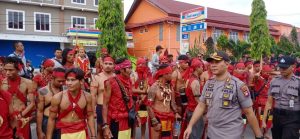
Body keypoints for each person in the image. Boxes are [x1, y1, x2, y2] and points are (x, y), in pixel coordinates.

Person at [183, 51, 263, 139]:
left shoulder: (238, 85)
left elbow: (249, 113)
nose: (213, 65)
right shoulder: (209, 83)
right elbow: (201, 106)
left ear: (227, 64)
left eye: (217, 62)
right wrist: (190, 126)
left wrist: (259, 136)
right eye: (211, 62)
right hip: (211, 134)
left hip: (231, 136)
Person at [46, 68, 96, 139]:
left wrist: (93, 135)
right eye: (67, 80)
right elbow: (51, 119)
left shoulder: (87, 96)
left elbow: (90, 116)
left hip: (81, 132)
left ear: (81, 81)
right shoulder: (58, 98)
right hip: (63, 132)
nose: (69, 83)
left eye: (72, 80)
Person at [262, 56, 300, 139]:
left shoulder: (298, 82)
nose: (282, 70)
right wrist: (264, 120)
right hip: (277, 117)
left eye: (285, 67)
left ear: (293, 66)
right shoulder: (274, 81)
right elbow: (269, 102)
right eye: (280, 67)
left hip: (292, 117)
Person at [1, 57, 35, 139]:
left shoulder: (28, 83)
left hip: (22, 117)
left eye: (11, 70)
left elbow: (32, 103)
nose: (7, 72)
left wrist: (20, 115)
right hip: (7, 120)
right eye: (6, 70)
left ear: (19, 69)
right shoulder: (2, 83)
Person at [102, 58, 135, 139]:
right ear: (121, 69)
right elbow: (105, 105)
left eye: (131, 68)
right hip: (116, 122)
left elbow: (130, 100)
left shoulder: (129, 81)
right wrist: (105, 126)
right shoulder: (110, 82)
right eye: (129, 68)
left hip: (127, 120)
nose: (131, 70)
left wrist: (135, 115)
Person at [147, 64, 181, 139]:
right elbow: (149, 106)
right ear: (164, 74)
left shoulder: (170, 87)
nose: (172, 75)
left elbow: (172, 103)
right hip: (157, 118)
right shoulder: (154, 87)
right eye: (170, 73)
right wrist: (154, 121)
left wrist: (176, 113)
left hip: (168, 118)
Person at [36, 67, 66, 139]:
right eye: (59, 81)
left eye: (63, 81)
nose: (61, 83)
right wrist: (39, 130)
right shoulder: (43, 91)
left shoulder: (65, 89)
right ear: (52, 78)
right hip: (47, 121)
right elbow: (39, 111)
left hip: (62, 121)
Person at [90, 56, 115, 139]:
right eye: (106, 63)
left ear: (114, 65)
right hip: (100, 106)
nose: (108, 65)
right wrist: (93, 111)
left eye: (110, 64)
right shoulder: (97, 77)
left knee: (113, 130)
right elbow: (93, 95)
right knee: (100, 129)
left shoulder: (116, 77)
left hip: (114, 108)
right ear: (102, 65)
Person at [180, 58, 205, 139]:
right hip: (194, 111)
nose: (202, 68)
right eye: (201, 67)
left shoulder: (190, 79)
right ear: (197, 68)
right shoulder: (195, 82)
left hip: (190, 110)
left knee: (192, 134)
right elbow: (198, 101)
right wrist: (204, 111)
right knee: (195, 135)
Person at [132, 57, 151, 139]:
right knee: (133, 120)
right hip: (135, 100)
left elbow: (148, 87)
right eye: (140, 64)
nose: (142, 66)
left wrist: (143, 97)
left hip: (144, 101)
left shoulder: (147, 75)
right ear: (137, 65)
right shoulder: (134, 74)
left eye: (143, 64)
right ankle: (133, 136)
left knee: (143, 120)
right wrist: (139, 97)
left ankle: (143, 136)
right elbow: (132, 87)